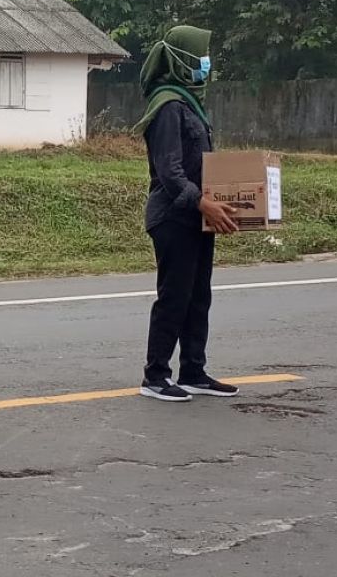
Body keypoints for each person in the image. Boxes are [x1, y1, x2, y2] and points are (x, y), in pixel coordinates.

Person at [133, 25, 241, 403]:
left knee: (199, 296)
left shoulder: (190, 102)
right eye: (200, 57)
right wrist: (203, 202)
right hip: (173, 216)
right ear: (180, 60)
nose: (206, 64)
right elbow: (169, 170)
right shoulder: (167, 106)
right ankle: (155, 375)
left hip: (198, 217)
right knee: (174, 296)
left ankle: (193, 370)